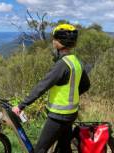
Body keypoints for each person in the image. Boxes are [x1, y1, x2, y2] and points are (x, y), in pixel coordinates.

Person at [12, 23, 90, 153]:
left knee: (40, 150)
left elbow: (42, 86)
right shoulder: (76, 61)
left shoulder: (62, 65)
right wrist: (71, 98)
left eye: (54, 39)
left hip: (58, 117)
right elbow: (86, 85)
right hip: (71, 114)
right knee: (64, 148)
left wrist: (21, 105)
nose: (53, 41)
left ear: (60, 42)